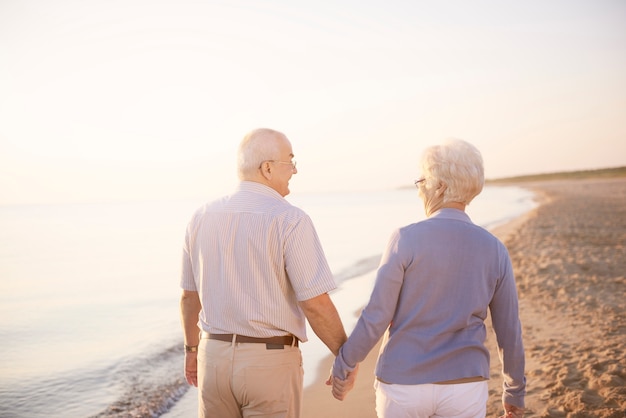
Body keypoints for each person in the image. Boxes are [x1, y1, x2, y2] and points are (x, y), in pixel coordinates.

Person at [329, 139, 526, 418]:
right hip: (465, 385)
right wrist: (515, 391)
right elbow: (509, 329)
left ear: (440, 186)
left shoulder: (405, 239)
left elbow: (377, 315)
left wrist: (345, 365)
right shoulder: (494, 248)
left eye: (421, 180)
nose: (419, 188)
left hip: (403, 384)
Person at [179, 128, 352, 418]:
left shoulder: (201, 216)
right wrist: (345, 356)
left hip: (213, 360)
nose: (295, 170)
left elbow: (188, 296)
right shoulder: (290, 219)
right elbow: (315, 303)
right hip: (268, 365)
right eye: (290, 160)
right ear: (267, 168)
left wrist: (191, 350)